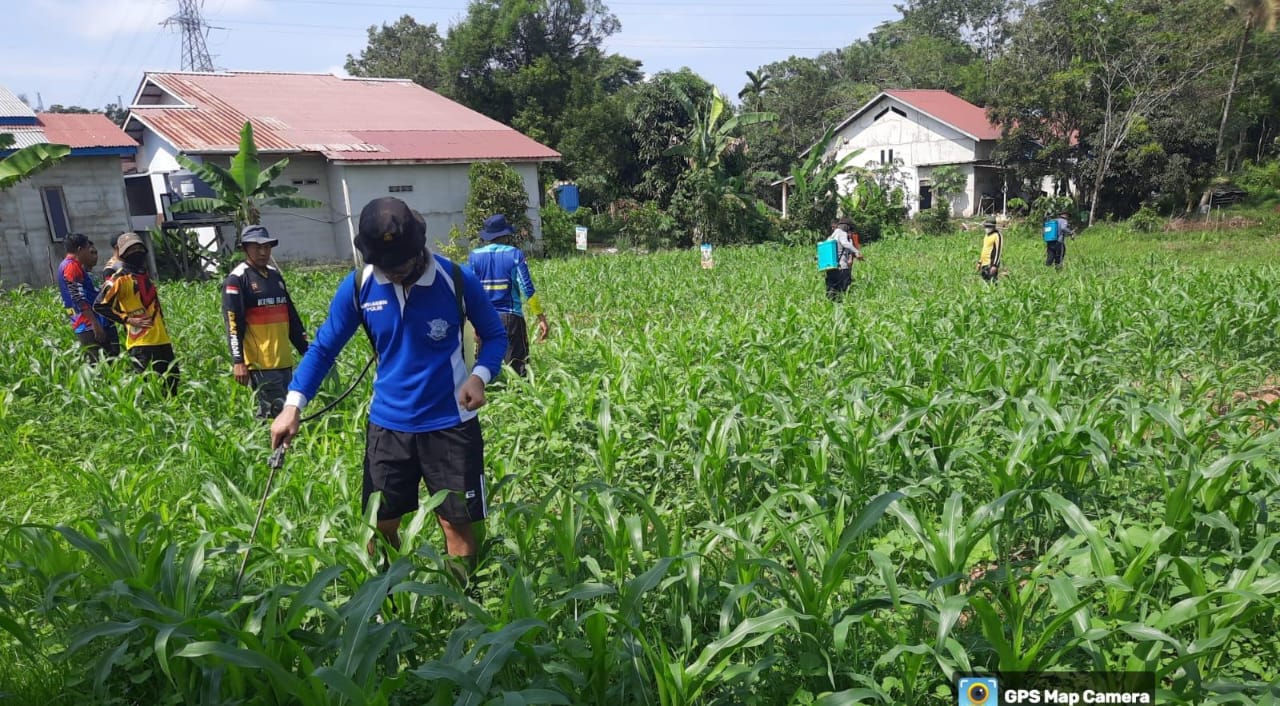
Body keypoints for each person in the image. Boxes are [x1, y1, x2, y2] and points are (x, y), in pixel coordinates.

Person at [270, 197, 508, 587]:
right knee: (379, 526)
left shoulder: (455, 280)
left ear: (418, 248)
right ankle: (388, 599)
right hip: (389, 427)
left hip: (451, 424)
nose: (393, 274)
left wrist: (479, 376)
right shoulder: (360, 286)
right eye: (385, 266)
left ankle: (461, 606)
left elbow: (495, 335)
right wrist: (293, 404)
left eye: (399, 265)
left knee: (456, 524)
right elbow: (324, 349)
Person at [223, 225, 310, 418]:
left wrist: (307, 350)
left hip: (284, 361)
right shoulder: (237, 279)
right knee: (275, 413)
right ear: (245, 248)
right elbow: (233, 324)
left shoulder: (275, 275)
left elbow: (291, 316)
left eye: (266, 247)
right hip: (261, 364)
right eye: (257, 247)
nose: (263, 252)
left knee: (280, 412)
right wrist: (238, 361)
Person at [93, 232, 180, 395]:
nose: (136, 252)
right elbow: (99, 305)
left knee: (172, 381)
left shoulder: (144, 275)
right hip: (141, 342)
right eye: (131, 250)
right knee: (147, 387)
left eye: (139, 248)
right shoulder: (119, 277)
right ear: (122, 253)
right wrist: (127, 319)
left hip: (161, 338)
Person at [467, 214, 549, 377]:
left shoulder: (474, 257)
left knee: (484, 371)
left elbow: (470, 292)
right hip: (511, 318)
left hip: (484, 319)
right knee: (518, 369)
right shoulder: (514, 254)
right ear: (505, 234)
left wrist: (473, 322)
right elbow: (527, 288)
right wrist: (541, 318)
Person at [57, 233, 119, 361]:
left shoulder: (66, 265)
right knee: (101, 362)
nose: (90, 252)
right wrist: (94, 323)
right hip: (88, 324)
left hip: (85, 322)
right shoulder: (71, 266)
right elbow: (78, 298)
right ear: (80, 249)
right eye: (87, 249)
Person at [824, 218, 863, 301]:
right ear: (846, 226)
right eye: (849, 228)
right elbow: (845, 244)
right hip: (841, 267)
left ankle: (830, 305)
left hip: (831, 267)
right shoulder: (842, 233)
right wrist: (857, 252)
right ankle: (841, 304)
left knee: (831, 289)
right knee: (843, 290)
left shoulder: (832, 236)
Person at [977, 218, 1003, 282]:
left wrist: (995, 265)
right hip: (984, 264)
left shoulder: (997, 235)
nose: (987, 228)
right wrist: (980, 262)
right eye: (986, 226)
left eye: (989, 226)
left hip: (991, 264)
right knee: (985, 283)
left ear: (993, 227)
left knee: (992, 283)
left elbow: (998, 251)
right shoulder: (986, 236)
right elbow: (984, 249)